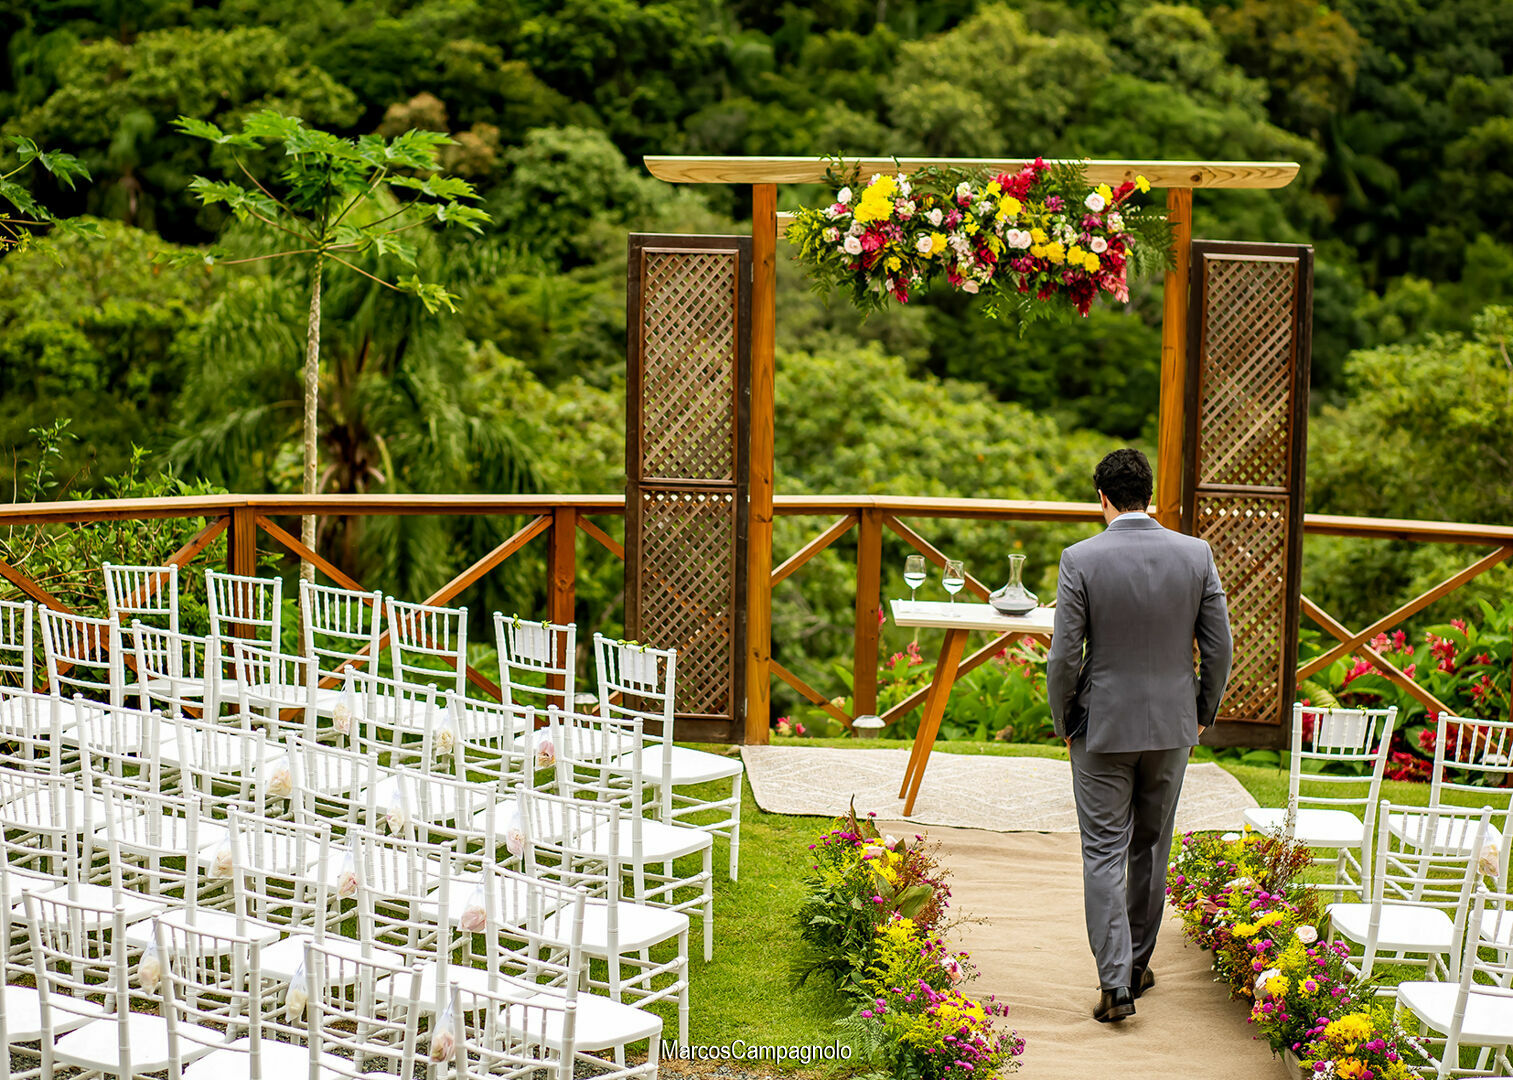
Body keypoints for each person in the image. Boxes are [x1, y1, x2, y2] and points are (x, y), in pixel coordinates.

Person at [1045, 447, 1232, 1023]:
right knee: (1150, 845)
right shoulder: (1196, 554)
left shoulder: (1080, 558)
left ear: (1102, 499)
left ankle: (1113, 984)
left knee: (1103, 851)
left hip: (1102, 728)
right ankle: (1135, 968)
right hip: (1173, 727)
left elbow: (1063, 659)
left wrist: (1065, 721)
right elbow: (1219, 647)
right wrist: (1199, 713)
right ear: (1148, 496)